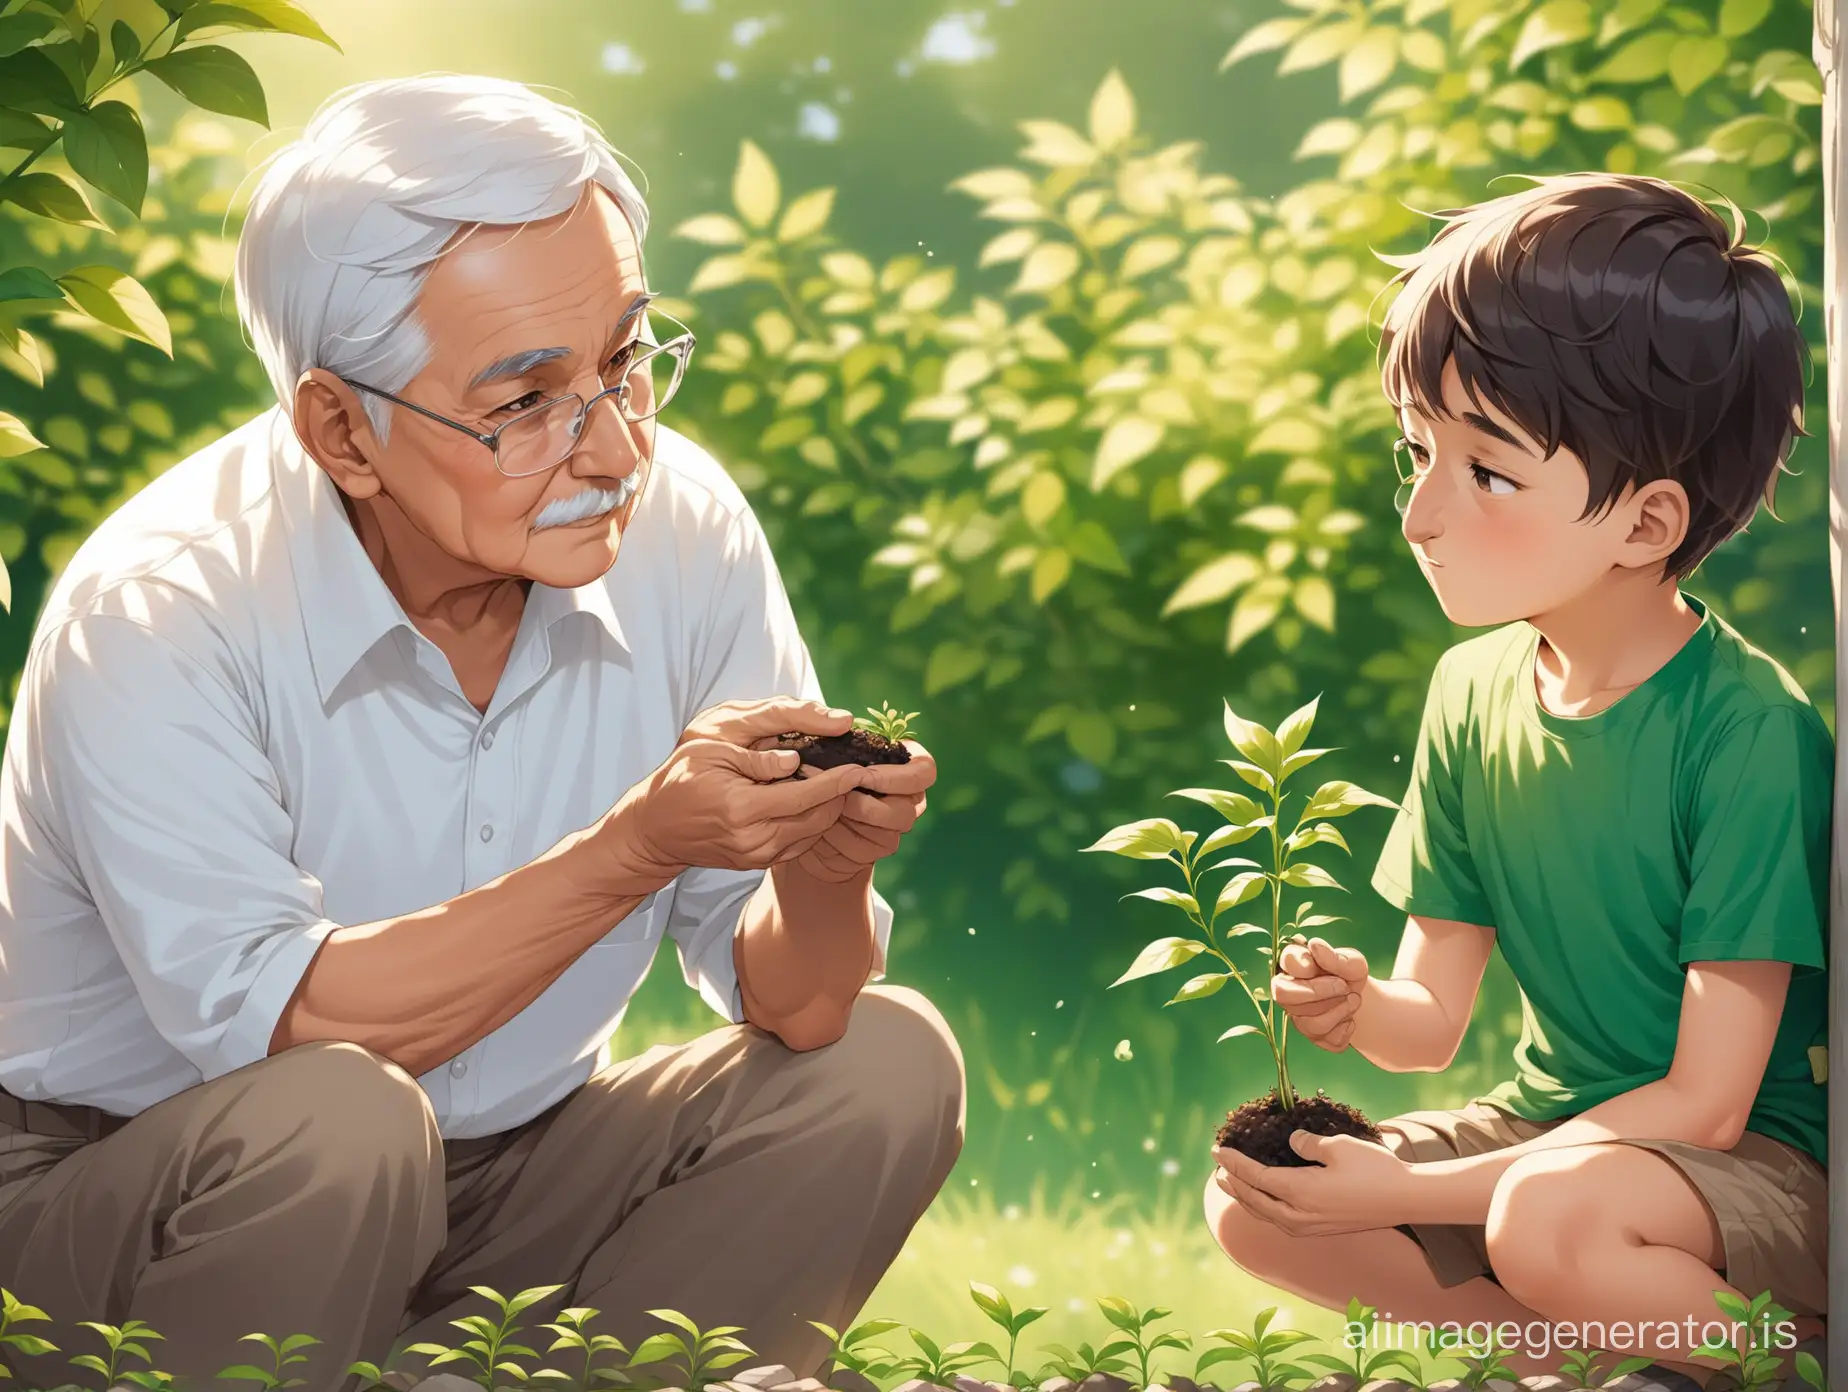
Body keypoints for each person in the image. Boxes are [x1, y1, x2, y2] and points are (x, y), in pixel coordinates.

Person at [0, 75, 963, 1392]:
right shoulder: (164, 606)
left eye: (627, 362)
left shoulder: (681, 528)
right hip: (145, 1190)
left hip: (519, 1169)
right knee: (342, 1123)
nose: (617, 449)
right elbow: (290, 1031)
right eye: (526, 404)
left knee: (884, 1063)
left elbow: (793, 1003)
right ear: (343, 429)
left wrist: (823, 863)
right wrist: (633, 850)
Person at [1203, 173, 1828, 1386]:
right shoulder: (1472, 693)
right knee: (1261, 1203)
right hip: (1551, 1140)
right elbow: (1428, 1027)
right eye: (1417, 453)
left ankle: (1789, 1361)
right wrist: (1353, 1005)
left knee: (1545, 1221)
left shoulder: (1748, 729)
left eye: (1487, 473)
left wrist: (1421, 1187)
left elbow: (1706, 1106)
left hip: (1753, 1175)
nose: (1421, 515)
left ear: (1646, 525)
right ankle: (1599, 1358)